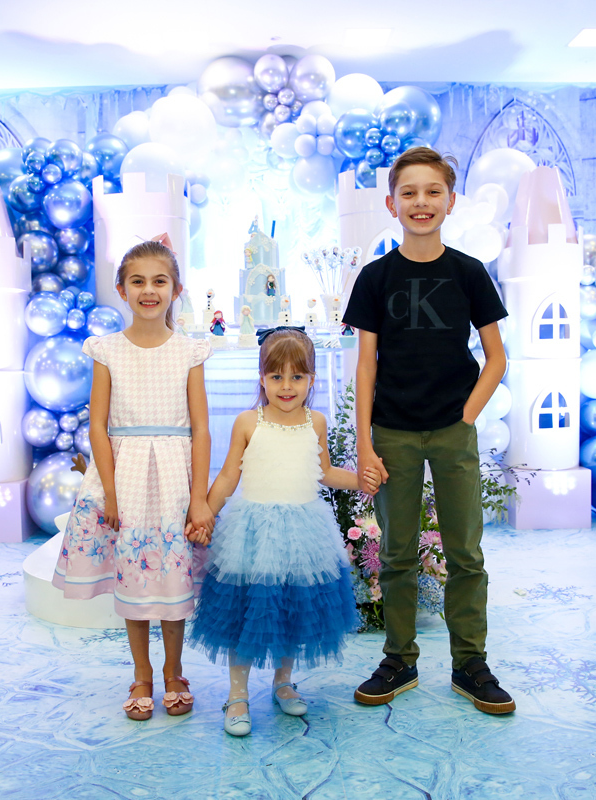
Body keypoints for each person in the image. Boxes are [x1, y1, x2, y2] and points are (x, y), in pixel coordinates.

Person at [342, 147, 514, 715]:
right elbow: (365, 366)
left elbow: (495, 357)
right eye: (409, 192)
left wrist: (466, 416)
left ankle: (471, 663)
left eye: (433, 191)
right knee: (396, 554)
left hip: (451, 431)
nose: (421, 202)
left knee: (466, 552)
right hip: (391, 432)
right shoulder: (375, 277)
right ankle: (399, 658)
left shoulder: (469, 272)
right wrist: (365, 444)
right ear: (391, 204)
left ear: (451, 201)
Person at [52, 239, 214, 721]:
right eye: (137, 281)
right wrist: (111, 490)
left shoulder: (189, 351)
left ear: (176, 290)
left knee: (171, 584)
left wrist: (199, 498)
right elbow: (97, 428)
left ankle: (174, 672)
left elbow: (201, 430)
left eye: (159, 281)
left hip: (174, 479)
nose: (149, 290)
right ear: (122, 290)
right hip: (124, 478)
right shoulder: (107, 350)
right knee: (135, 581)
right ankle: (142, 673)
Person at [188, 327, 376, 736]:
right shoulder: (247, 422)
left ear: (311, 380)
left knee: (292, 609)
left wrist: (361, 480)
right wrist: (204, 514)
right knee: (245, 612)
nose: (286, 386)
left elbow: (324, 472)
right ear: (262, 378)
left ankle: (283, 682)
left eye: (297, 377)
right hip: (253, 534)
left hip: (304, 533)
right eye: (276, 376)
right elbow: (228, 477)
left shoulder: (316, 422)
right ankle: (237, 694)